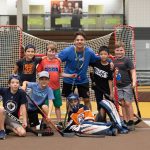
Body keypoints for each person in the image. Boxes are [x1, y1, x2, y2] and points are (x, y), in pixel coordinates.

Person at [58, 31, 113, 110]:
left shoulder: (89, 52)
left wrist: (110, 61)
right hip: (69, 80)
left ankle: (89, 118)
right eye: (77, 40)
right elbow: (57, 59)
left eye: (81, 40)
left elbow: (100, 58)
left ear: (85, 41)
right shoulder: (67, 51)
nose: (79, 41)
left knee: (86, 99)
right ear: (74, 41)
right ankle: (70, 119)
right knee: (70, 100)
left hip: (83, 80)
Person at [37, 43, 76, 125]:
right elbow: (39, 73)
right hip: (46, 89)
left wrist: (69, 75)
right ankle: (45, 123)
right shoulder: (43, 61)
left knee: (57, 106)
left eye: (53, 51)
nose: (51, 53)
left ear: (56, 53)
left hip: (56, 88)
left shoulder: (58, 61)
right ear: (46, 52)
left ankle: (59, 122)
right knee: (46, 107)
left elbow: (60, 74)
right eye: (50, 51)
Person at [113, 41, 136, 131]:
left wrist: (134, 82)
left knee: (128, 103)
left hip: (127, 85)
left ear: (124, 51)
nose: (119, 52)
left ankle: (131, 121)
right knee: (122, 103)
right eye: (117, 50)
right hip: (119, 86)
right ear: (115, 51)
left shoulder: (127, 60)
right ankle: (125, 121)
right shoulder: (114, 61)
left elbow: (133, 71)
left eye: (121, 50)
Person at [90, 46, 113, 122]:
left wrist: (111, 93)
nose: (103, 55)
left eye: (105, 54)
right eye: (101, 54)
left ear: (108, 55)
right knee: (99, 105)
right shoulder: (95, 63)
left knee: (109, 105)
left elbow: (110, 80)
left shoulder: (110, 66)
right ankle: (102, 120)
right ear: (99, 55)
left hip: (106, 89)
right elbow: (88, 61)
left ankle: (113, 120)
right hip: (97, 88)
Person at [0, 74, 27, 140]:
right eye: (12, 82)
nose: (15, 84)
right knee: (1, 109)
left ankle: (9, 128)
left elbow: (23, 107)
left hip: (13, 119)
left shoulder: (21, 93)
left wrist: (24, 121)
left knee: (22, 133)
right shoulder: (4, 91)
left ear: (19, 84)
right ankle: (2, 130)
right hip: (3, 115)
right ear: (9, 84)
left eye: (17, 83)